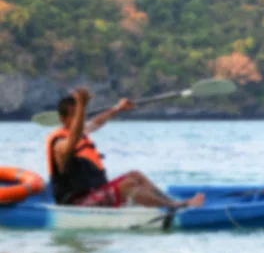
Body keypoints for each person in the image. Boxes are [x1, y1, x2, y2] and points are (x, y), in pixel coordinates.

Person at [46, 86, 205, 208]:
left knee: (135, 175)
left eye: (79, 114)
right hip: (75, 203)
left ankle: (172, 203)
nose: (79, 120)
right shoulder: (59, 143)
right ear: (62, 119)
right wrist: (81, 105)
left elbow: (98, 121)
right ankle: (177, 207)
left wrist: (118, 108)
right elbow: (72, 140)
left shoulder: (82, 131)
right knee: (128, 185)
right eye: (74, 115)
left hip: (95, 193)